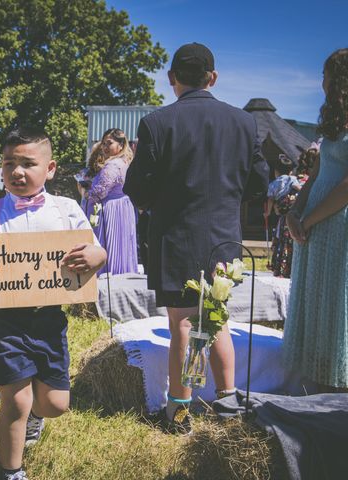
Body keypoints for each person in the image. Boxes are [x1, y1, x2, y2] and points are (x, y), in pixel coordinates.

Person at [123, 43, 269, 434]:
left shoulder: (157, 122)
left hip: (177, 235)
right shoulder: (244, 122)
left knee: (185, 324)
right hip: (224, 238)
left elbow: (136, 187)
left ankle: (180, 411)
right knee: (217, 319)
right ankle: (227, 401)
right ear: (213, 78)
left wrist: (161, 203)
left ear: (172, 79)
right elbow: (259, 182)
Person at [0, 128, 106, 480]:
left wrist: (98, 255)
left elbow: (94, 249)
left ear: (49, 169)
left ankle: (37, 417)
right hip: (4, 321)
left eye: (27, 164)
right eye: (9, 163)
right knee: (16, 401)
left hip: (49, 320)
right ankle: (10, 471)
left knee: (55, 404)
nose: (17, 172)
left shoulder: (66, 210)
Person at [284, 48, 348, 392]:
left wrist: (310, 221)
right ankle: (317, 381)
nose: (320, 81)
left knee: (337, 299)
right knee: (315, 297)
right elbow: (320, 171)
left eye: (325, 74)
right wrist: (297, 212)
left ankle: (338, 390)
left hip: (339, 222)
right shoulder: (335, 123)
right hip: (315, 220)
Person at [83, 128, 138, 275]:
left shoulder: (112, 165)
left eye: (109, 143)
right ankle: (120, 270)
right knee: (121, 244)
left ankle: (107, 271)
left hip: (111, 208)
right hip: (123, 206)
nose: (105, 147)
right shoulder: (125, 162)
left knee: (110, 242)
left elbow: (99, 192)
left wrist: (86, 192)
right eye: (103, 143)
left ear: (120, 145)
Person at [265, 162, 303, 278]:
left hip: (281, 215)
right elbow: (299, 189)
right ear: (290, 171)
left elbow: (270, 199)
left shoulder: (273, 184)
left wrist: (267, 212)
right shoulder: (292, 179)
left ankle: (279, 267)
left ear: (276, 172)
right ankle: (289, 267)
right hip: (291, 213)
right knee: (289, 240)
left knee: (280, 239)